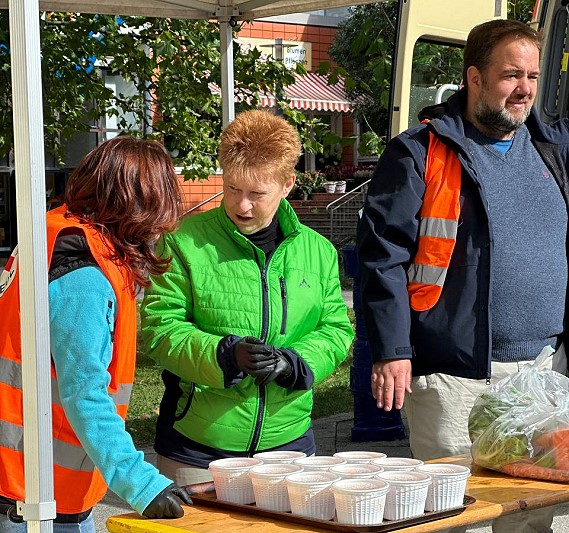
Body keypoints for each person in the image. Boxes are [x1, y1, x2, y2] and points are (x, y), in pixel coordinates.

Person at [356, 19, 569, 533]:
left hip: (543, 371)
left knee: (531, 515)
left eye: (533, 77)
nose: (524, 90)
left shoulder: (551, 147)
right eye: (510, 75)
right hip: (456, 375)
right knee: (456, 516)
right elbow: (381, 258)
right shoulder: (420, 153)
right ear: (474, 77)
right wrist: (392, 350)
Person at [140, 109, 354, 486]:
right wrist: (224, 354)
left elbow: (336, 330)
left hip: (289, 449)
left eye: (257, 193)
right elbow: (159, 330)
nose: (241, 205)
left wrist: (294, 364)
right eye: (233, 188)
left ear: (288, 184)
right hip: (196, 450)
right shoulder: (183, 241)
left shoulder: (318, 251)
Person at [0, 137, 192, 533]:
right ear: (138, 206)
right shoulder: (85, 279)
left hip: (33, 483)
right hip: (36, 497)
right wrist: (141, 482)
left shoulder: (54, 238)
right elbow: (85, 392)